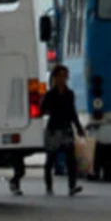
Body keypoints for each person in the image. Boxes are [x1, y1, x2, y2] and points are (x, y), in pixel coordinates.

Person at [41, 65, 85, 197]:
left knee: (71, 159)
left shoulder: (69, 94)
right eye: (59, 76)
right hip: (54, 129)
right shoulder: (49, 95)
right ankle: (49, 186)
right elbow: (42, 109)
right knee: (51, 159)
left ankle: (72, 186)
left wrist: (78, 127)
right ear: (54, 78)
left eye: (64, 76)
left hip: (66, 129)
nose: (62, 79)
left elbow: (73, 113)